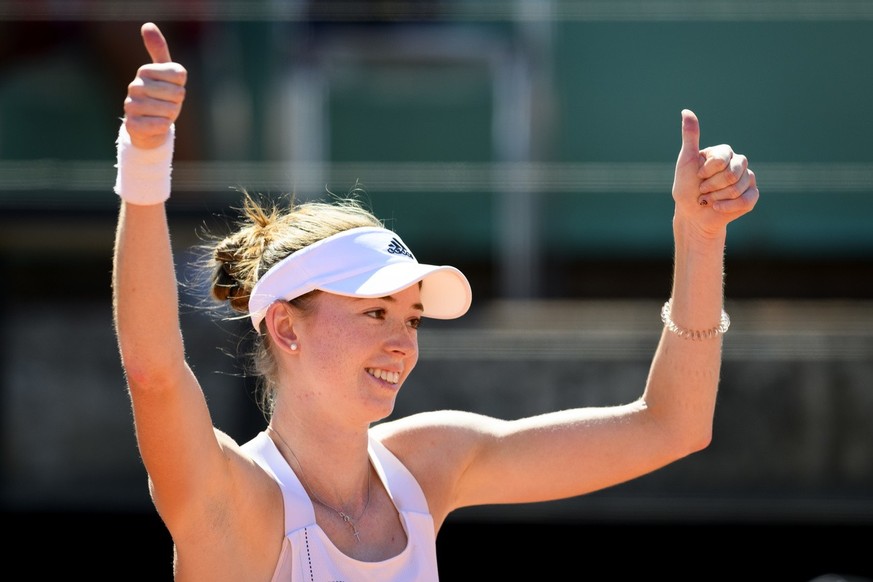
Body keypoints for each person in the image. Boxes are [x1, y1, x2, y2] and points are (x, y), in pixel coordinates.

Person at [112, 22, 759, 581]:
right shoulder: (237, 497)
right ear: (285, 326)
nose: (401, 341)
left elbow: (672, 426)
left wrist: (698, 236)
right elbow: (155, 372)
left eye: (410, 318)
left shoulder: (428, 463)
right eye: (374, 312)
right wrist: (144, 164)